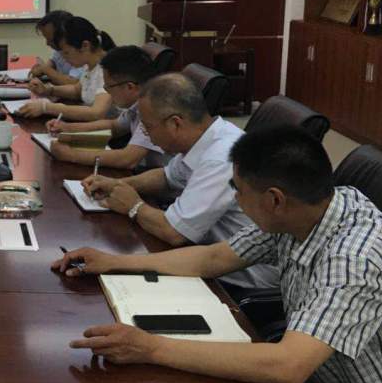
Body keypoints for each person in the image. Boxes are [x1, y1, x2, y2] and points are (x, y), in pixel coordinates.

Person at [53, 126, 382, 383]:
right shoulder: (307, 209)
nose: (236, 200)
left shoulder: (353, 260)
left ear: (274, 200)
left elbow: (289, 365)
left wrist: (150, 348)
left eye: (238, 190)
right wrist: (114, 262)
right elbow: (214, 258)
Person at [81, 73, 277, 289]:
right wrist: (120, 185)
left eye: (148, 127)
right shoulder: (206, 137)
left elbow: (175, 232)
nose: (146, 134)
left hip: (235, 281)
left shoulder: (221, 158)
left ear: (175, 123)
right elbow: (167, 177)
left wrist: (133, 206)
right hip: (203, 257)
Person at [46, 45, 164, 170]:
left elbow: (128, 159)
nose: (106, 91)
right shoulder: (139, 102)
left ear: (130, 87)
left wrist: (70, 155)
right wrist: (67, 128)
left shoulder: (154, 108)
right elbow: (114, 126)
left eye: (109, 87)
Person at [17, 16, 115, 122]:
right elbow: (77, 90)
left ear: (85, 46)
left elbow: (96, 113)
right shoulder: (90, 65)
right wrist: (48, 90)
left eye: (66, 53)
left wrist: (46, 107)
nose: (64, 58)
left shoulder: (108, 69)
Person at [28, 10, 84, 86]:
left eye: (50, 40)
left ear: (63, 36)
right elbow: (53, 61)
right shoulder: (59, 48)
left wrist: (45, 69)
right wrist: (41, 69)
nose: (47, 43)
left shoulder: (81, 49)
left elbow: (73, 82)